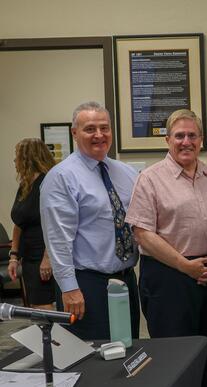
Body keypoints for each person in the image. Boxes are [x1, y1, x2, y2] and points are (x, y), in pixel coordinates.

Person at [124, 109, 207, 387]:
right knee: (174, 351)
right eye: (179, 136)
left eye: (192, 136)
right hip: (169, 275)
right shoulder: (151, 178)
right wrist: (185, 266)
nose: (186, 141)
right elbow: (143, 233)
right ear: (168, 140)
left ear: (201, 141)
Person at [40, 101, 140, 340]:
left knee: (128, 347)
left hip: (126, 279)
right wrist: (69, 288)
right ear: (75, 133)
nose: (99, 135)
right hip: (86, 284)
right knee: (93, 357)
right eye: (90, 129)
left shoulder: (125, 173)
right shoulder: (62, 177)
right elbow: (57, 239)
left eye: (104, 128)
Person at [8, 138, 57, 309]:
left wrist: (47, 258)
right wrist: (13, 257)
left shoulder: (48, 183)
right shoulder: (25, 185)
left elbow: (55, 224)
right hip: (28, 257)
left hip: (43, 255)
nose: (15, 162)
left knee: (43, 308)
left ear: (28, 158)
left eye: (17, 157)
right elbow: (18, 223)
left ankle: (49, 336)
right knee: (35, 306)